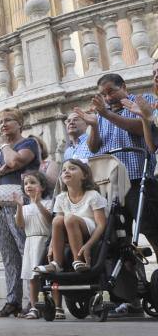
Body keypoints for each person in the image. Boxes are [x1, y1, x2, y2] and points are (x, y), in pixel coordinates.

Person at [74, 73, 158, 257]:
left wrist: (106, 114)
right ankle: (135, 282)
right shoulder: (102, 113)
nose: (108, 98)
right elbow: (93, 147)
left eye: (111, 91)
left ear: (124, 87)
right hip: (110, 184)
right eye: (104, 95)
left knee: (151, 229)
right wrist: (95, 125)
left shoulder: (143, 100)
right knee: (120, 237)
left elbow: (142, 127)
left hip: (137, 179)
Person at [0, 108, 39, 317]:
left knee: (25, 249)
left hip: (19, 204)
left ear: (20, 123)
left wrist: (5, 145)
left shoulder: (28, 144)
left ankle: (34, 300)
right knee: (8, 254)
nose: (3, 125)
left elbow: (15, 162)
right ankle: (12, 300)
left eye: (8, 121)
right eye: (0, 122)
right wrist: (1, 171)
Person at [35, 159, 107, 275]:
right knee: (58, 219)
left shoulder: (93, 195)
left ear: (84, 175)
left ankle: (78, 260)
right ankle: (57, 263)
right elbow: (57, 224)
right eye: (64, 170)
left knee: (69, 218)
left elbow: (101, 224)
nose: (67, 171)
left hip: (89, 229)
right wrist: (52, 245)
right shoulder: (61, 198)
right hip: (68, 228)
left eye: (72, 168)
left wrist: (88, 245)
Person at [14, 171, 53, 320]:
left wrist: (38, 204)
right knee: (32, 277)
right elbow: (20, 224)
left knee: (51, 276)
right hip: (31, 243)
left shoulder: (48, 203)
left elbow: (49, 220)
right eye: (26, 183)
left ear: (42, 187)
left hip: (45, 242)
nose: (28, 185)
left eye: (32, 182)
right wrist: (18, 206)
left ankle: (57, 307)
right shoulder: (24, 208)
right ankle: (34, 307)